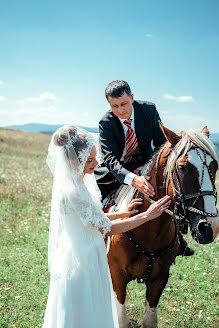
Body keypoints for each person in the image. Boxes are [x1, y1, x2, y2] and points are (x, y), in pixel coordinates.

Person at [42, 124, 171, 328]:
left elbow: (94, 216)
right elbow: (107, 229)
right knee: (83, 306)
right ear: (72, 160)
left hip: (90, 250)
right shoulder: (72, 192)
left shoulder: (80, 182)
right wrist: (147, 215)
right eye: (90, 159)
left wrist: (122, 213)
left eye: (95, 157)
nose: (96, 163)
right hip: (81, 257)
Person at [95, 80, 194, 256]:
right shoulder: (106, 122)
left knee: (171, 190)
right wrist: (132, 178)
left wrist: (147, 167)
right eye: (114, 106)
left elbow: (162, 144)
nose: (120, 110)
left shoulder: (148, 110)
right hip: (116, 170)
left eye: (124, 104)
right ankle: (98, 235)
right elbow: (110, 159)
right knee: (97, 199)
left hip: (146, 164)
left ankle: (179, 239)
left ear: (132, 98)